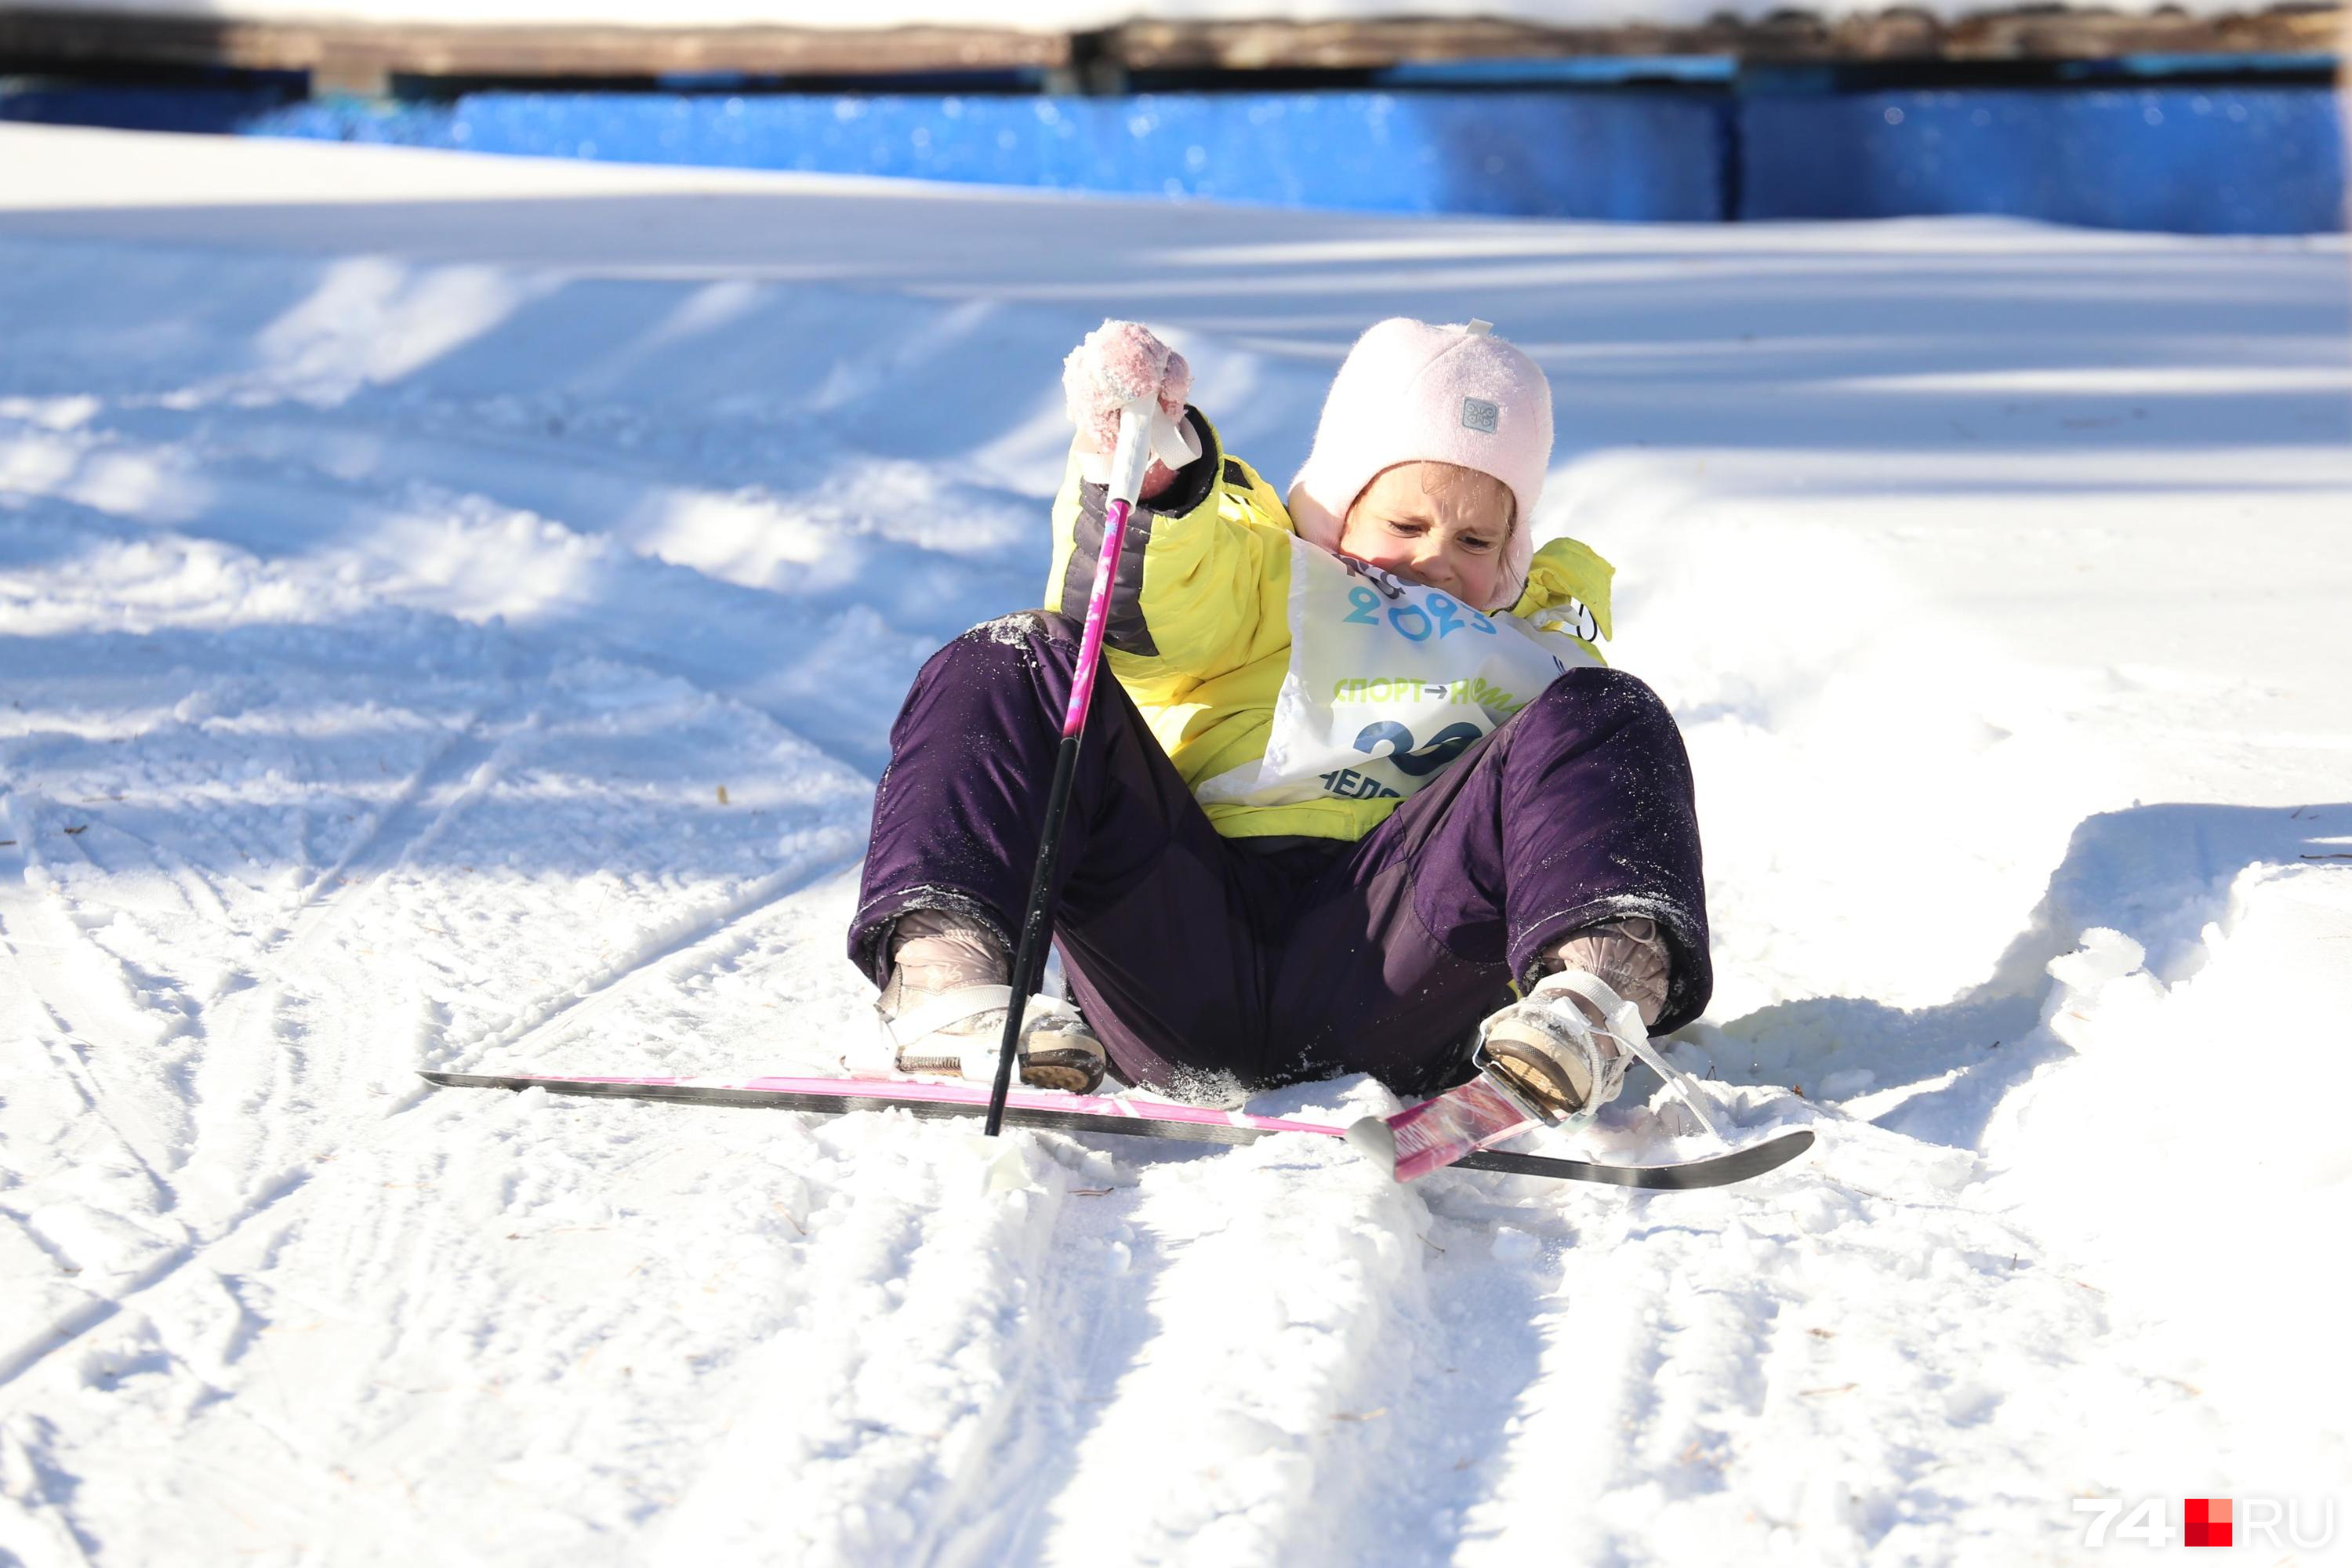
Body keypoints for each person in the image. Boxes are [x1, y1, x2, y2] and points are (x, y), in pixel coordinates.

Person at [845, 317, 1711, 1122]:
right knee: (1016, 653)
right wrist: (1151, 477)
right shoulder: (1264, 575)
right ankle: (948, 986)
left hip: (1399, 961)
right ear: (1337, 507)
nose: (1437, 560)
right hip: (1184, 935)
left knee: (1611, 713)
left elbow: (1576, 810)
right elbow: (1156, 600)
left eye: (1477, 541)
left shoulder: (1533, 647)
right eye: (1404, 522)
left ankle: (1594, 1004)